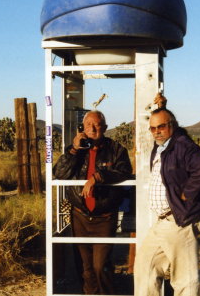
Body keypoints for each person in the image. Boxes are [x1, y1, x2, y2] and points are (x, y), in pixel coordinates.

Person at [134, 108, 200, 296]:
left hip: (180, 219)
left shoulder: (183, 145)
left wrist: (186, 194)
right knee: (146, 267)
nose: (156, 132)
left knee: (184, 279)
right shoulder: (162, 145)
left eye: (160, 127)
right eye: (152, 128)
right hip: (163, 221)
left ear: (172, 125)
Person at [53, 110, 133, 295]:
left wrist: (98, 177)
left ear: (104, 128)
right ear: (82, 127)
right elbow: (60, 173)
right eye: (88, 125)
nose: (93, 128)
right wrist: (73, 150)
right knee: (85, 268)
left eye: (97, 125)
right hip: (80, 215)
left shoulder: (116, 149)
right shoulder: (77, 150)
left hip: (104, 218)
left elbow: (124, 171)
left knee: (100, 266)